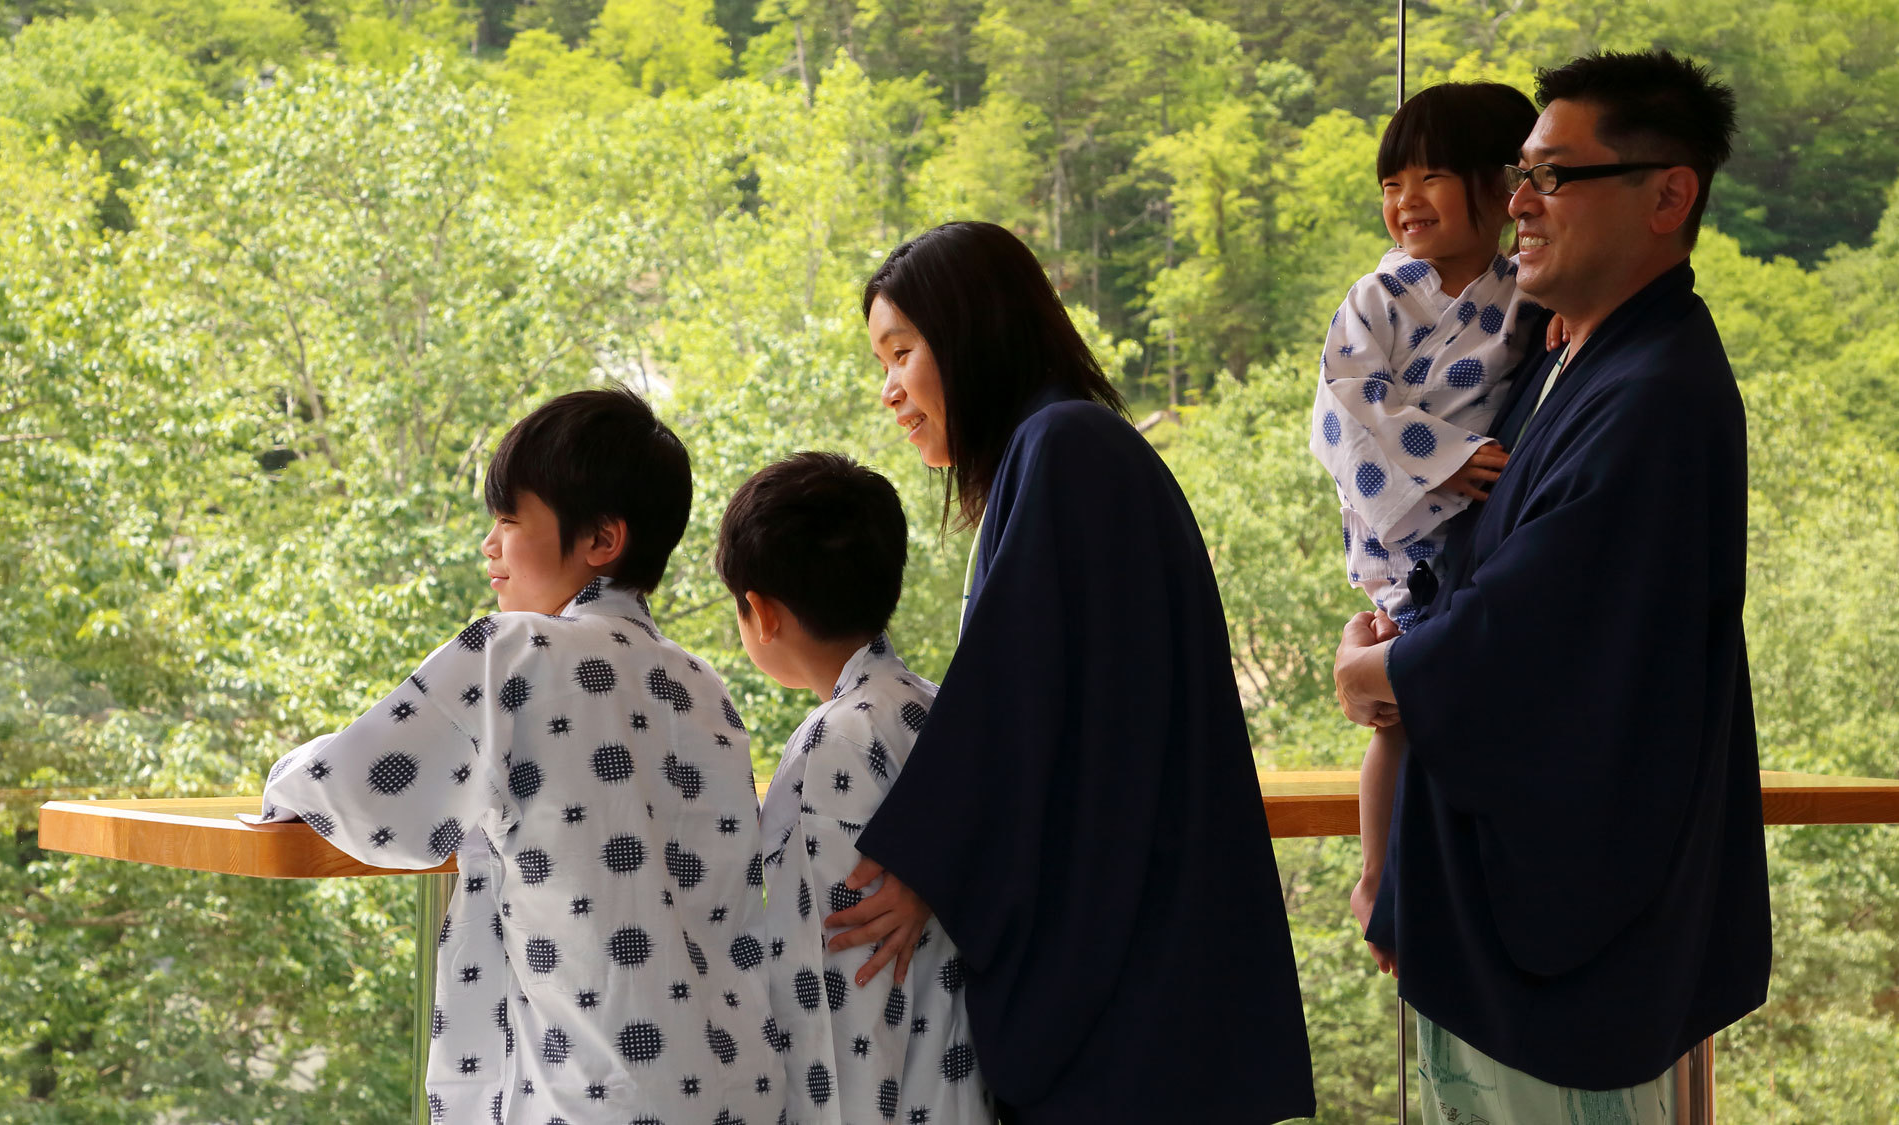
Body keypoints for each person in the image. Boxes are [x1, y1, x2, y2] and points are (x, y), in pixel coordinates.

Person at [1333, 50, 1771, 1122]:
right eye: (1516, 175)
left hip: (1568, 945)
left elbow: (1535, 636)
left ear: (1667, 193)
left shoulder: (1655, 393)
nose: (1515, 203)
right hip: (1506, 925)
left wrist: (1378, 673)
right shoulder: (1567, 360)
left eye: (1549, 177)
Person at [821, 221, 1314, 1123]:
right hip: (1148, 941)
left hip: (1142, 963)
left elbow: (1018, 693)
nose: (890, 390)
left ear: (971, 334)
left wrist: (927, 857)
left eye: (901, 353)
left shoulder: (1069, 449)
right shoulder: (1058, 449)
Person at [253, 387, 783, 1124]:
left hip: (595, 1093)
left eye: (508, 520)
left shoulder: (514, 651)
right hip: (741, 1083)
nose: (489, 546)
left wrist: (286, 771)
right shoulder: (703, 684)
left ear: (601, 539)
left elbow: (362, 792)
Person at [1306, 81, 1543, 969]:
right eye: (1391, 182)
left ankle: (1429, 879)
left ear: (1501, 184)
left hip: (1480, 539)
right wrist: (1441, 456)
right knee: (1396, 721)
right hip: (1402, 532)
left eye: (1431, 177)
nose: (1405, 201)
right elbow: (1343, 408)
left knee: (1441, 716)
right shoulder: (1376, 299)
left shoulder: (1525, 288)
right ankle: (1375, 877)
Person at [716, 451, 994, 1125]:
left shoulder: (834, 742)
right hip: (956, 1082)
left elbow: (832, 991)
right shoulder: (934, 708)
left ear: (763, 612)